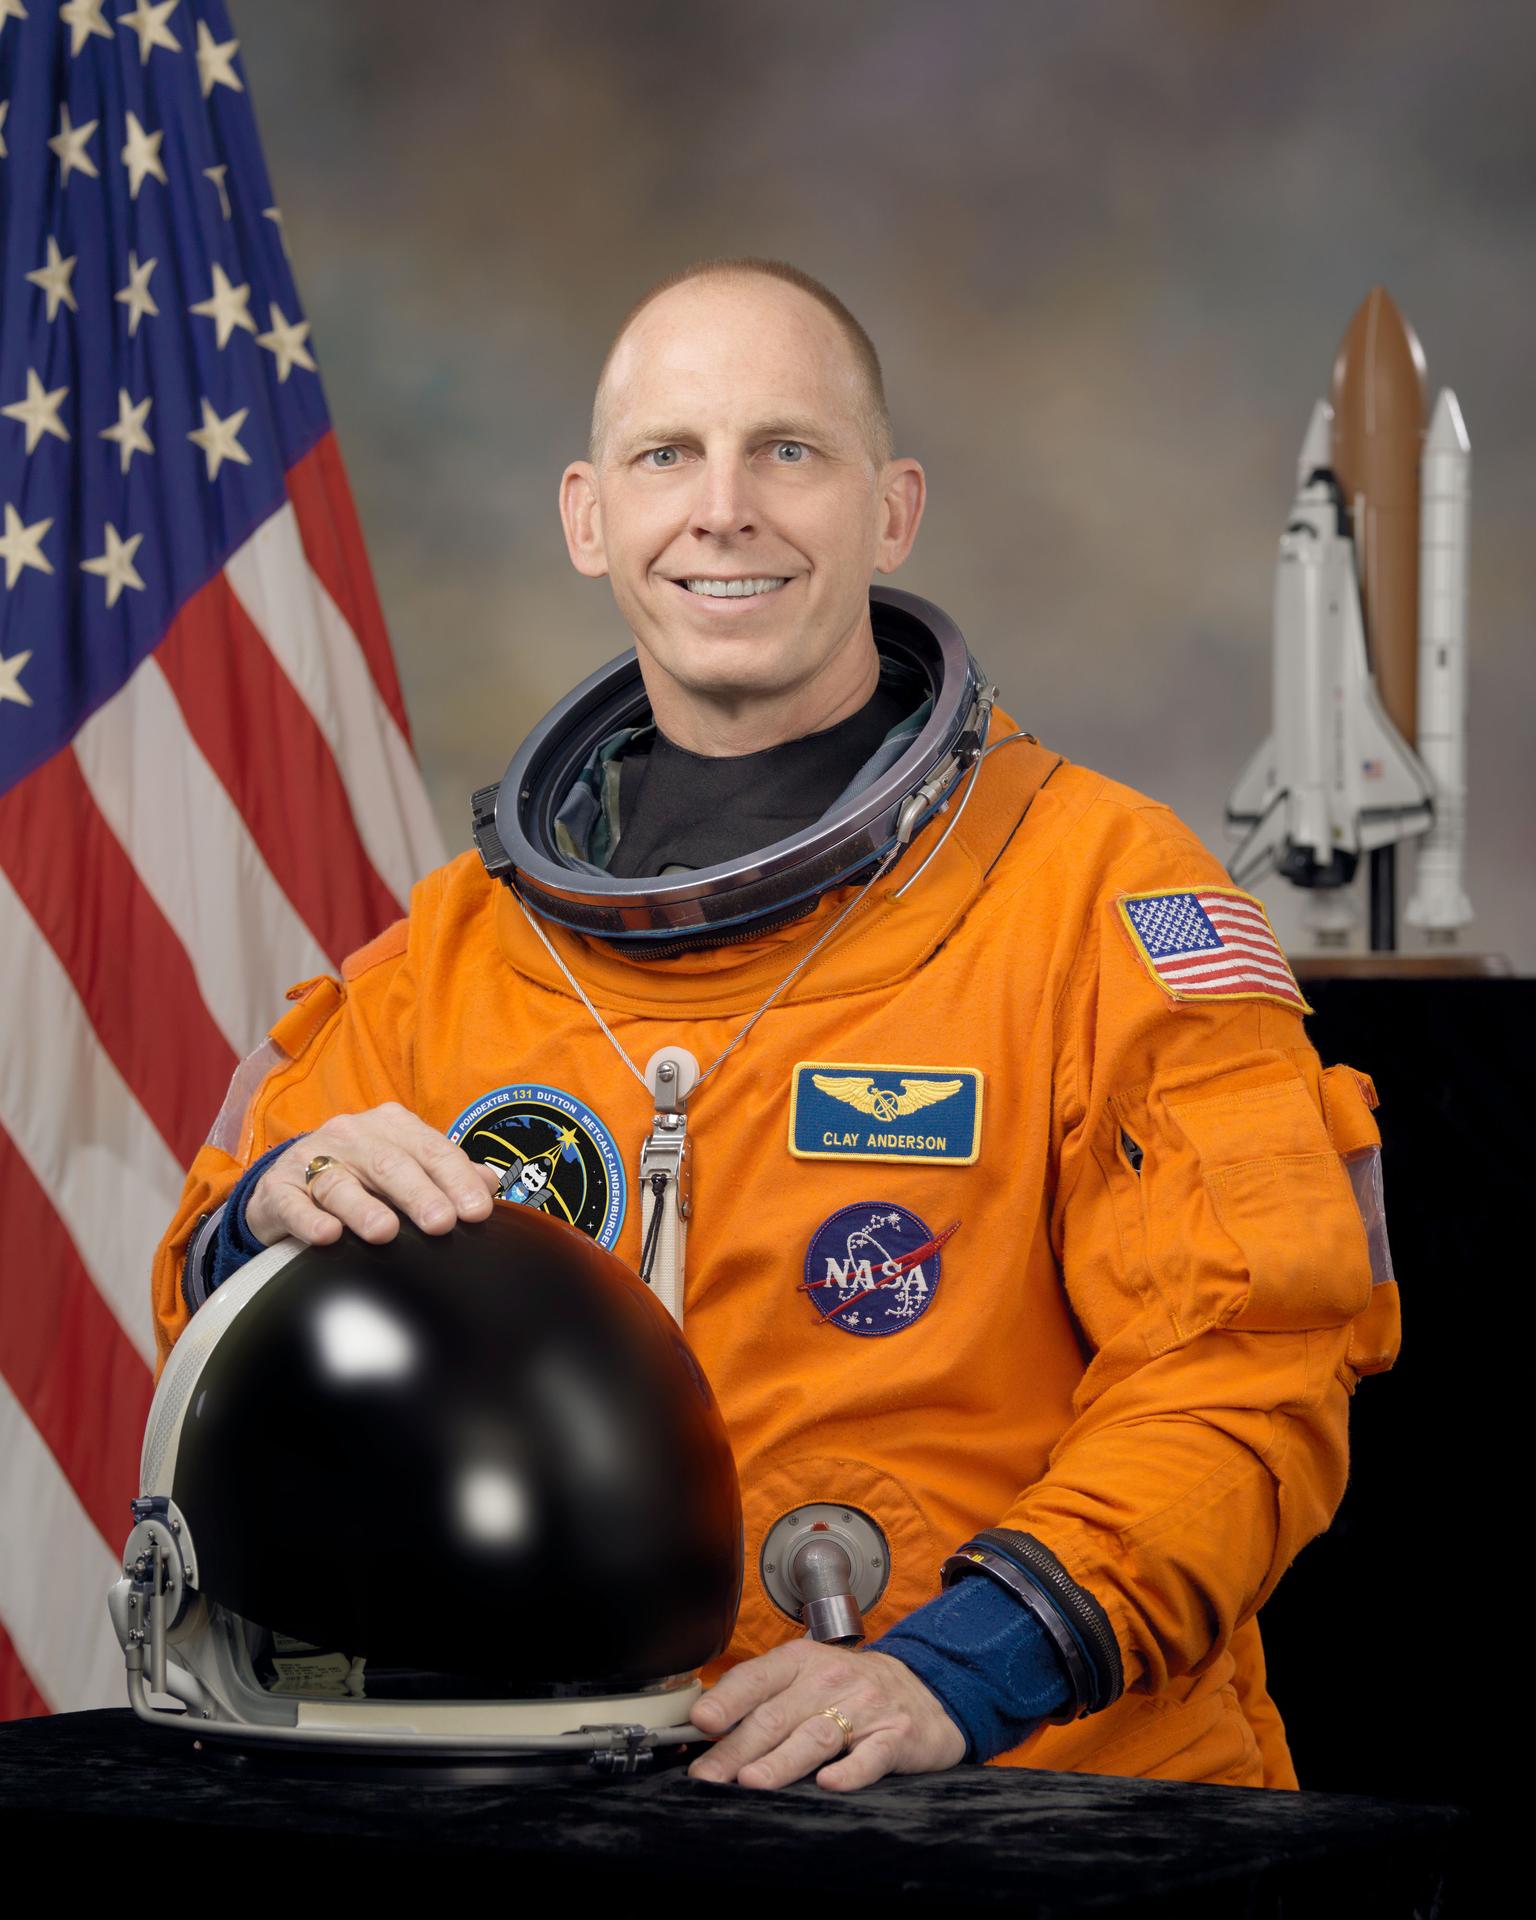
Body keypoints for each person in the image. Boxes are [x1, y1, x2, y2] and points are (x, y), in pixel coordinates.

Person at [151, 257, 1399, 1795]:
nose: (722, 509)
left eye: (787, 451)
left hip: (1032, 1802)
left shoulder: (1100, 898)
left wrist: (968, 1664)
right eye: (667, 454)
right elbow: (214, 1314)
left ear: (892, 509)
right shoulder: (461, 951)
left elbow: (1255, 1353)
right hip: (577, 1794)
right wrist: (263, 1226)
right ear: (588, 516)